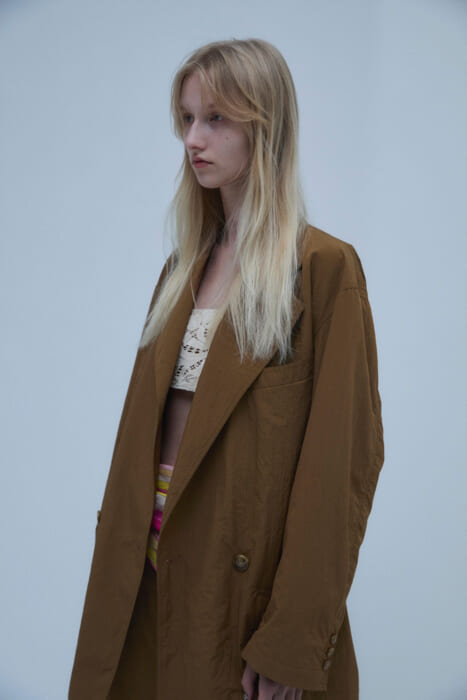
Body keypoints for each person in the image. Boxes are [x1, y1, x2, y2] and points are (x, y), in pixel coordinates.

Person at [69, 38, 385, 700]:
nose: (193, 139)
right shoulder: (180, 269)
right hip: (143, 583)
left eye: (215, 118)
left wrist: (290, 643)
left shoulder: (323, 270)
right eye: (187, 118)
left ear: (264, 125)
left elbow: (340, 471)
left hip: (240, 597)